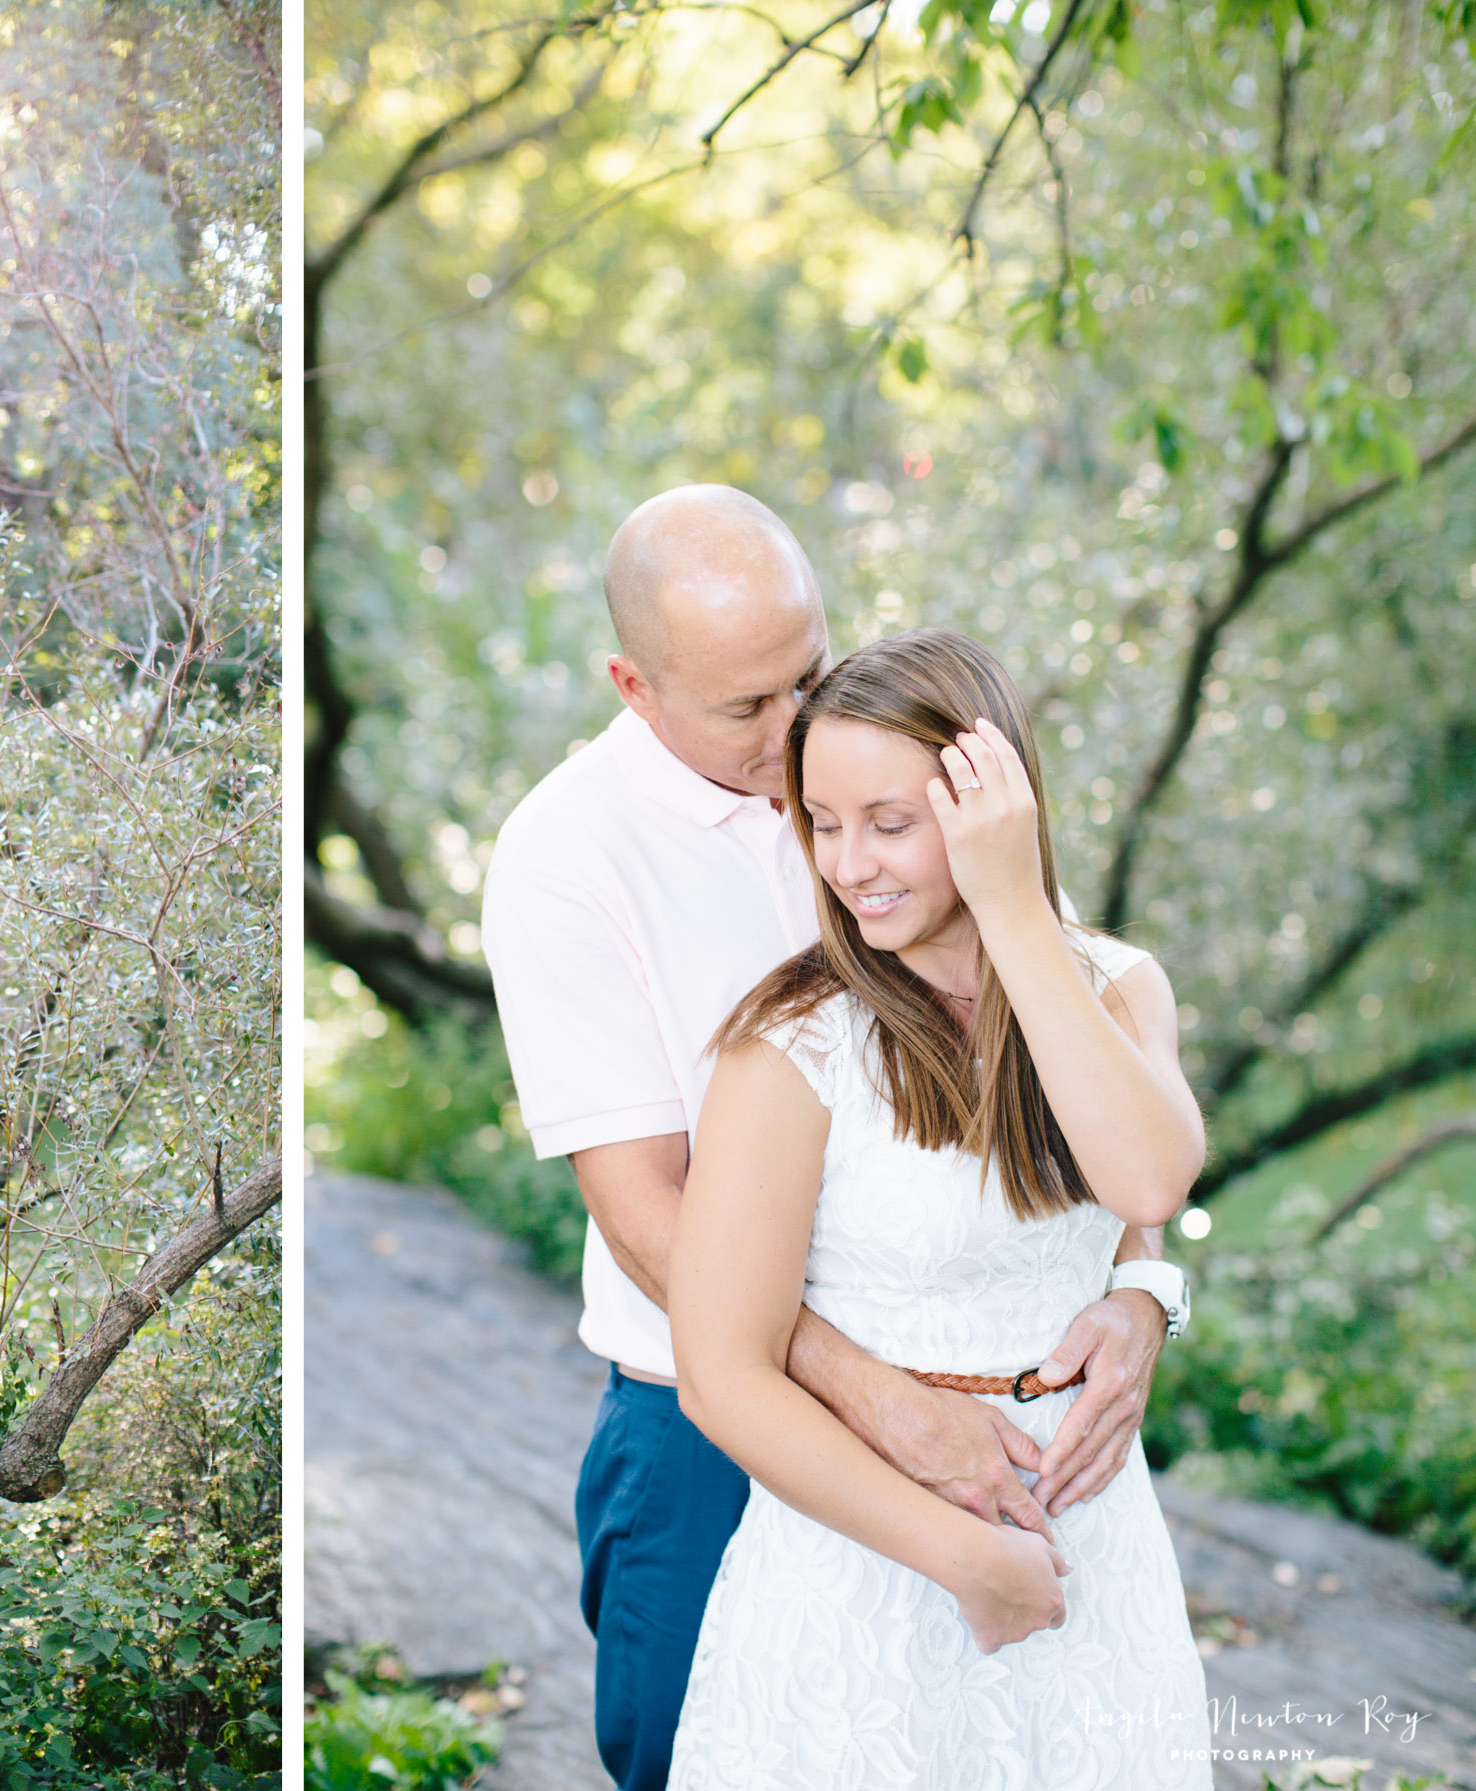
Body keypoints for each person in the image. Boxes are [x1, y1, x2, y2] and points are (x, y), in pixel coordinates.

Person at [477, 486, 1189, 1790]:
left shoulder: (897, 768)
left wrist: (1141, 1282)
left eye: (804, 673)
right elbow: (643, 1205)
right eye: (749, 709)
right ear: (635, 684)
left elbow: (1077, 1098)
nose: (794, 728)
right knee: (686, 1737)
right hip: (706, 1427)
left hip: (1012, 1438)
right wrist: (880, 1401)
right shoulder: (562, 858)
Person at [666, 628, 1210, 1785]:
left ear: (991, 810)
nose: (851, 863)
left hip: (1092, 1547)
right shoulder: (794, 1048)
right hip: (868, 1566)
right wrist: (956, 1556)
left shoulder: (1115, 987)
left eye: (891, 822)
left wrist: (1013, 912)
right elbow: (724, 1374)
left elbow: (1148, 1184)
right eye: (823, 822)